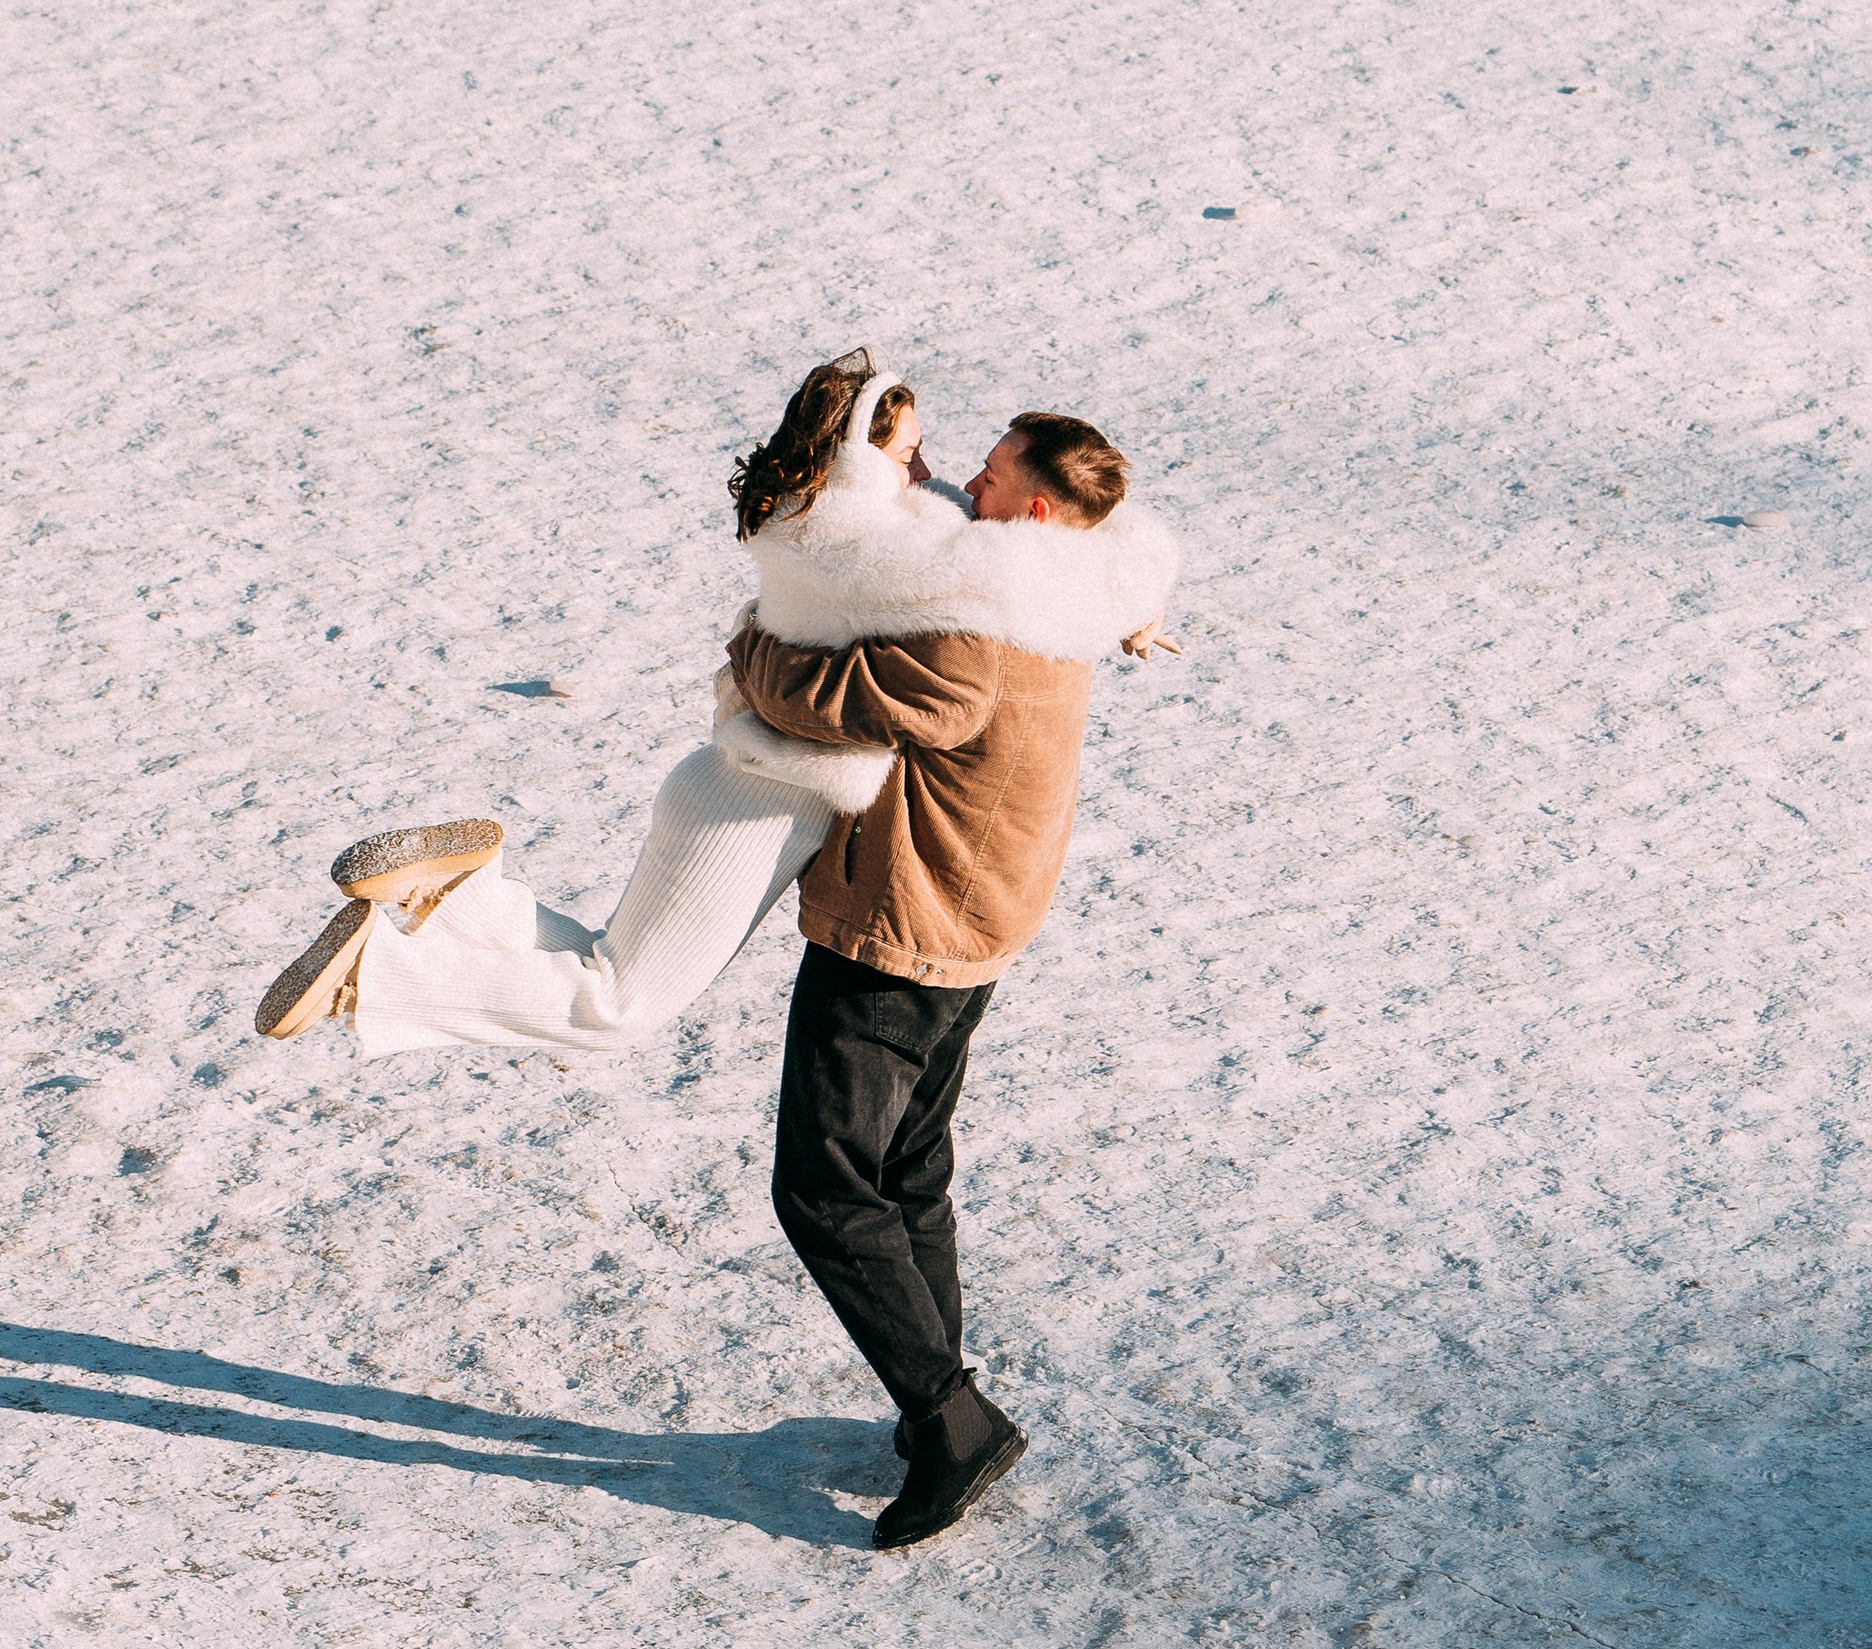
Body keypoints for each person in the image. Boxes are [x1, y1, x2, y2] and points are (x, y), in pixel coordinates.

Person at [252, 353, 1181, 1070]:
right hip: (764, 796)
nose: (943, 478)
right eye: (914, 456)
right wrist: (1118, 599)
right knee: (615, 1010)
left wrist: (1127, 605)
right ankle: (377, 969)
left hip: (740, 783)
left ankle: (465, 891)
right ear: (860, 466)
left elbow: (1045, 559)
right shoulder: (882, 549)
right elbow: (986, 616)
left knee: (612, 966)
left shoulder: (852, 526)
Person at [726, 406, 1149, 1548]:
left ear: (1040, 506)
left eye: (994, 471)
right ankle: (938, 1406)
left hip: (904, 926)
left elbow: (823, 696)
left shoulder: (972, 636)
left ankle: (951, 1419)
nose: (970, 478)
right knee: (908, 1168)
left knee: (822, 1183)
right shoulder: (1073, 584)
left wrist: (753, 641)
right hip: (982, 915)